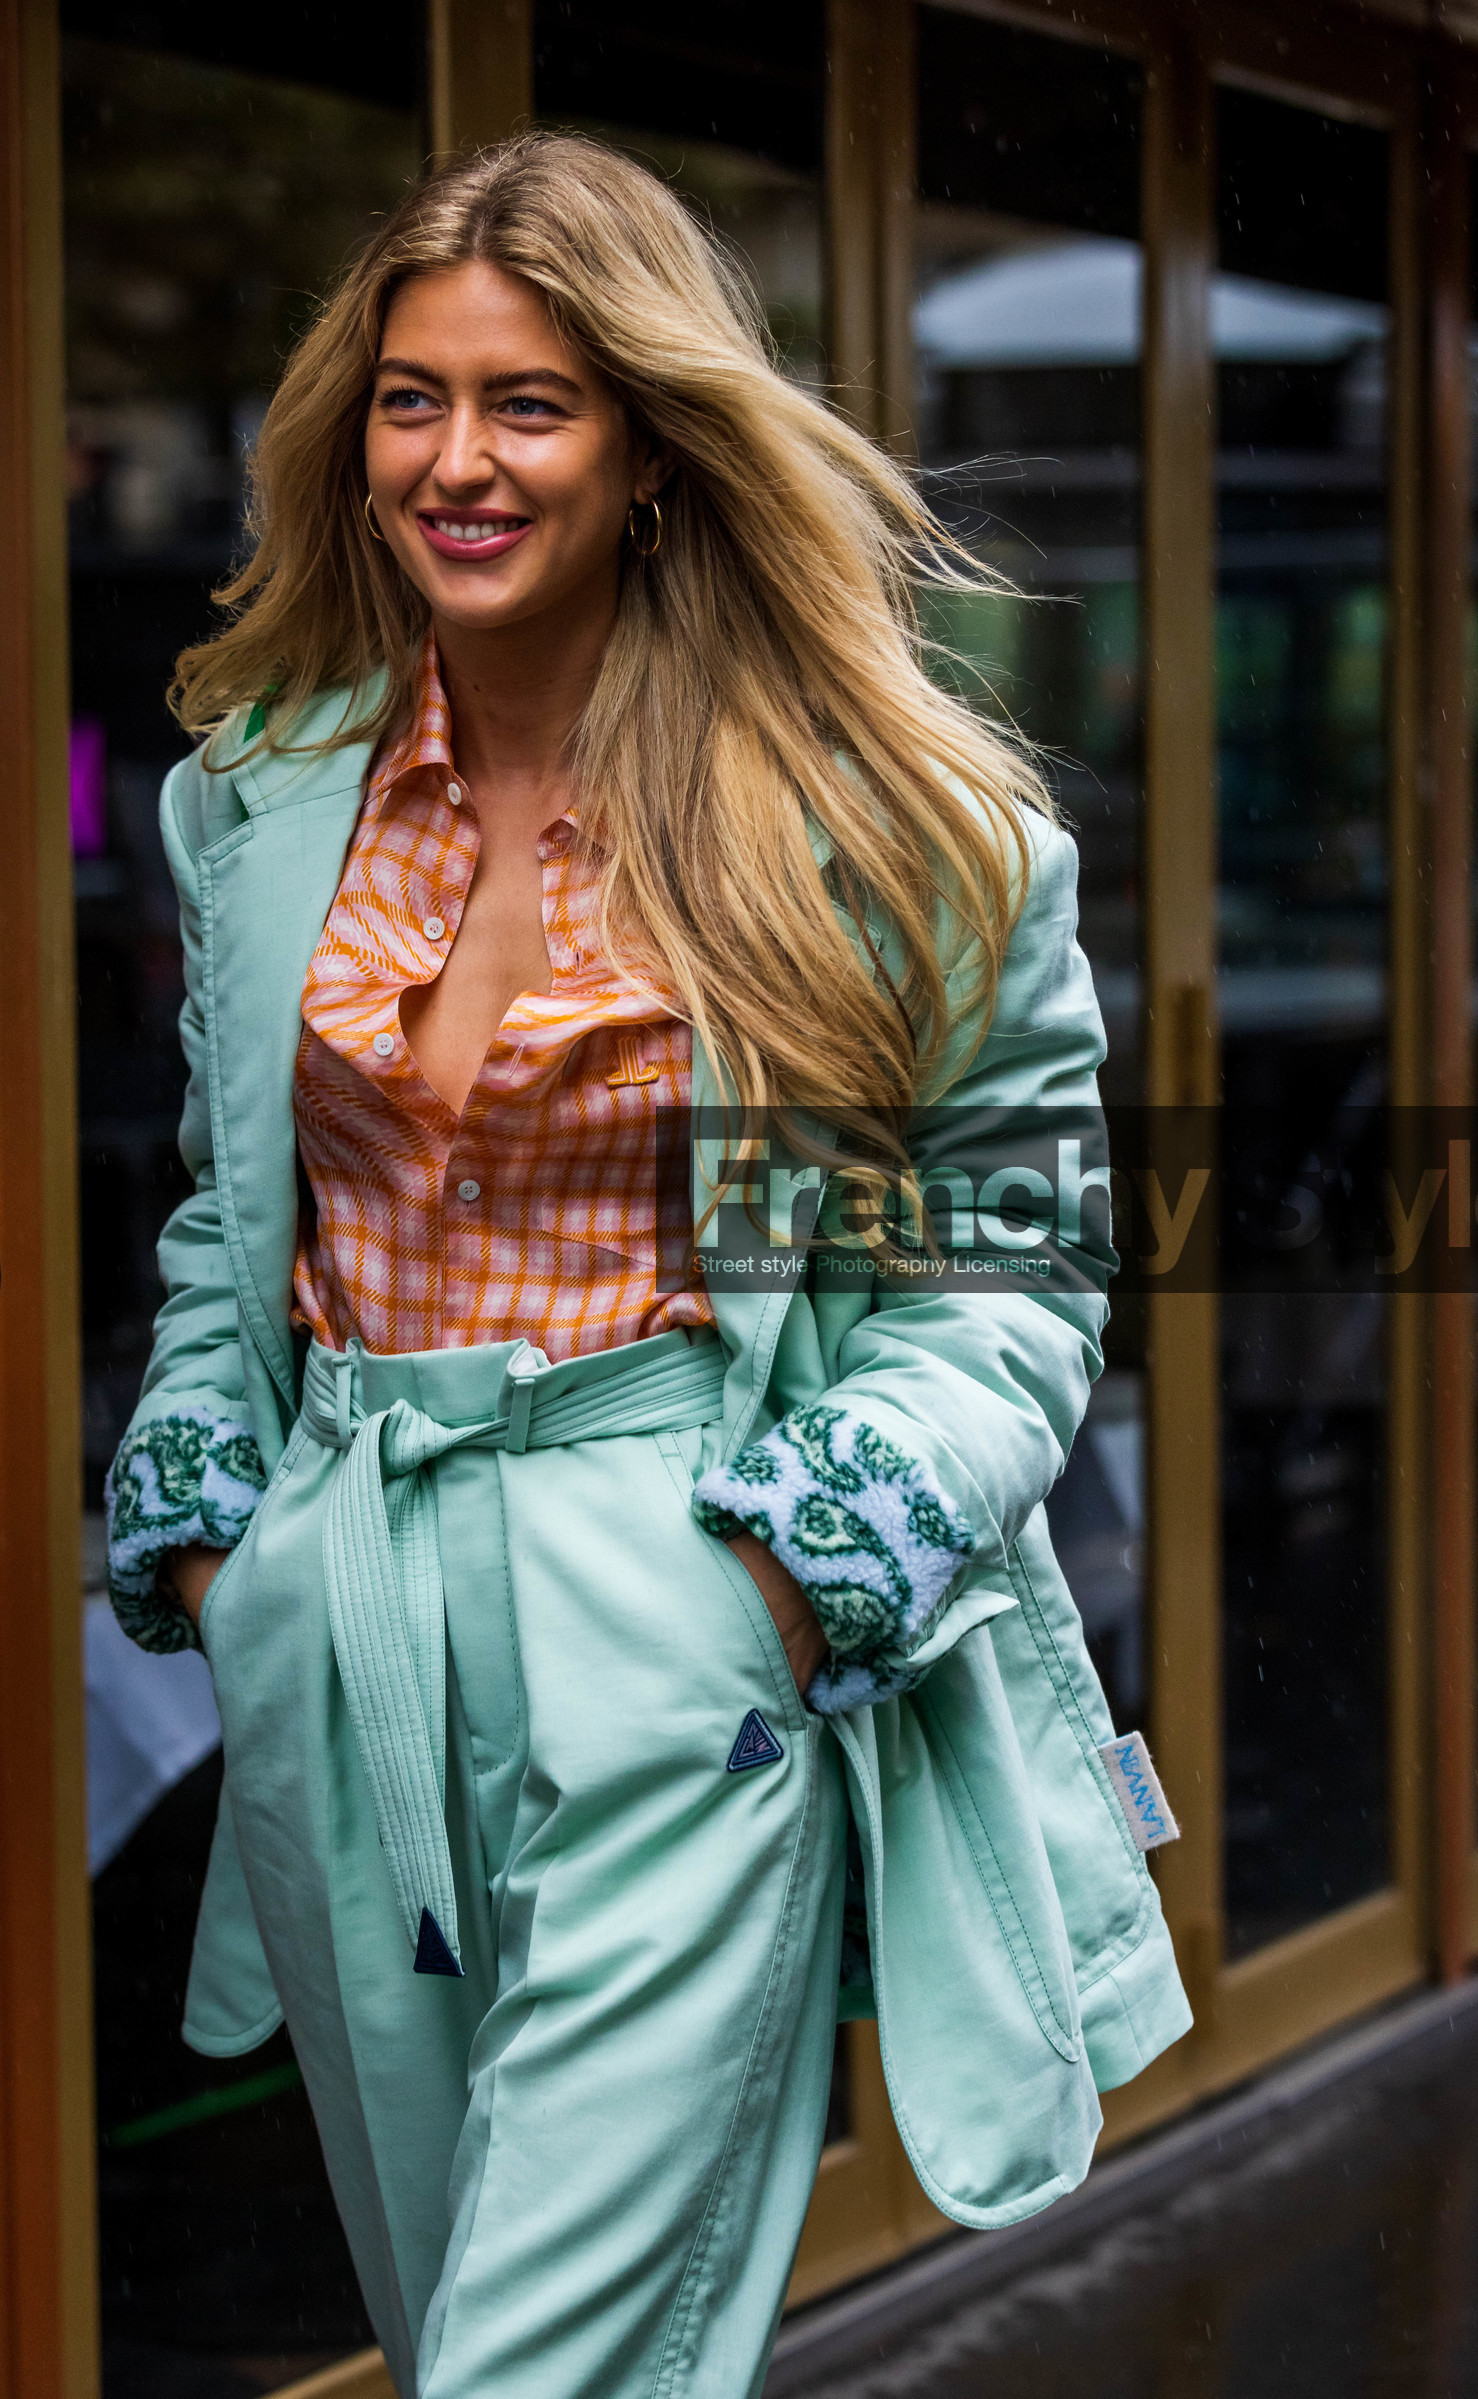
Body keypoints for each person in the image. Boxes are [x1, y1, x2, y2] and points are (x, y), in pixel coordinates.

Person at [103, 132, 1190, 2399]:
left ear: (650, 446)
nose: (456, 460)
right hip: (334, 1610)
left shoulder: (901, 833)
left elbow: (1000, 1280)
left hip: (679, 1599)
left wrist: (783, 1574)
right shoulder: (259, 800)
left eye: (529, 402)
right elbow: (233, 1212)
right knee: (442, 2317)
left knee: (544, 2358)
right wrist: (214, 1529)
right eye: (412, 399)